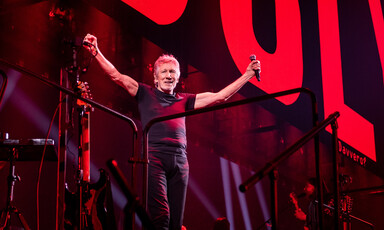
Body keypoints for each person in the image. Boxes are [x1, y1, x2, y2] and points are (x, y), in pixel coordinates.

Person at [83, 33, 261, 230]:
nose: (168, 75)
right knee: (162, 218)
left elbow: (220, 97)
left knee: (176, 224)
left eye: (172, 72)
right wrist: (96, 52)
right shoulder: (144, 93)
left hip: (180, 161)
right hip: (154, 158)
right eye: (164, 72)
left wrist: (247, 75)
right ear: (155, 76)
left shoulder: (185, 99)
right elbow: (115, 75)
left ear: (177, 78)